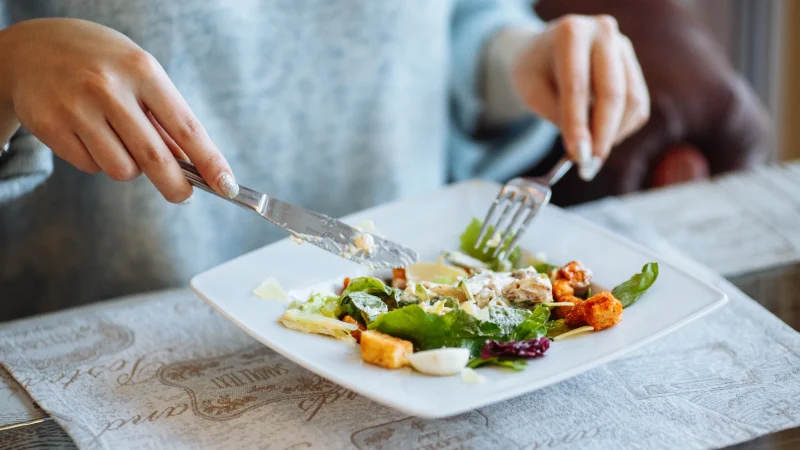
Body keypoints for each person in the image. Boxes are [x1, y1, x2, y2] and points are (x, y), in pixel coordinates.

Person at [0, 1, 648, 321]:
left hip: (415, 333)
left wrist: (515, 61)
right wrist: (8, 67)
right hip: (115, 340)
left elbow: (457, 26)